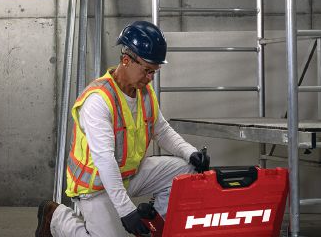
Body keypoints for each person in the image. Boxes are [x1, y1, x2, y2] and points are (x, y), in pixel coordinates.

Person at [36, 20, 210, 237]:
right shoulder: (99, 100)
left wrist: (189, 152)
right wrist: (127, 211)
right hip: (96, 186)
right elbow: (105, 160)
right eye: (147, 70)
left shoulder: (143, 92)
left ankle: (155, 224)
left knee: (186, 170)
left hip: (128, 175)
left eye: (154, 72)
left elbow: (161, 130)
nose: (150, 78)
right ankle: (57, 218)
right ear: (126, 60)